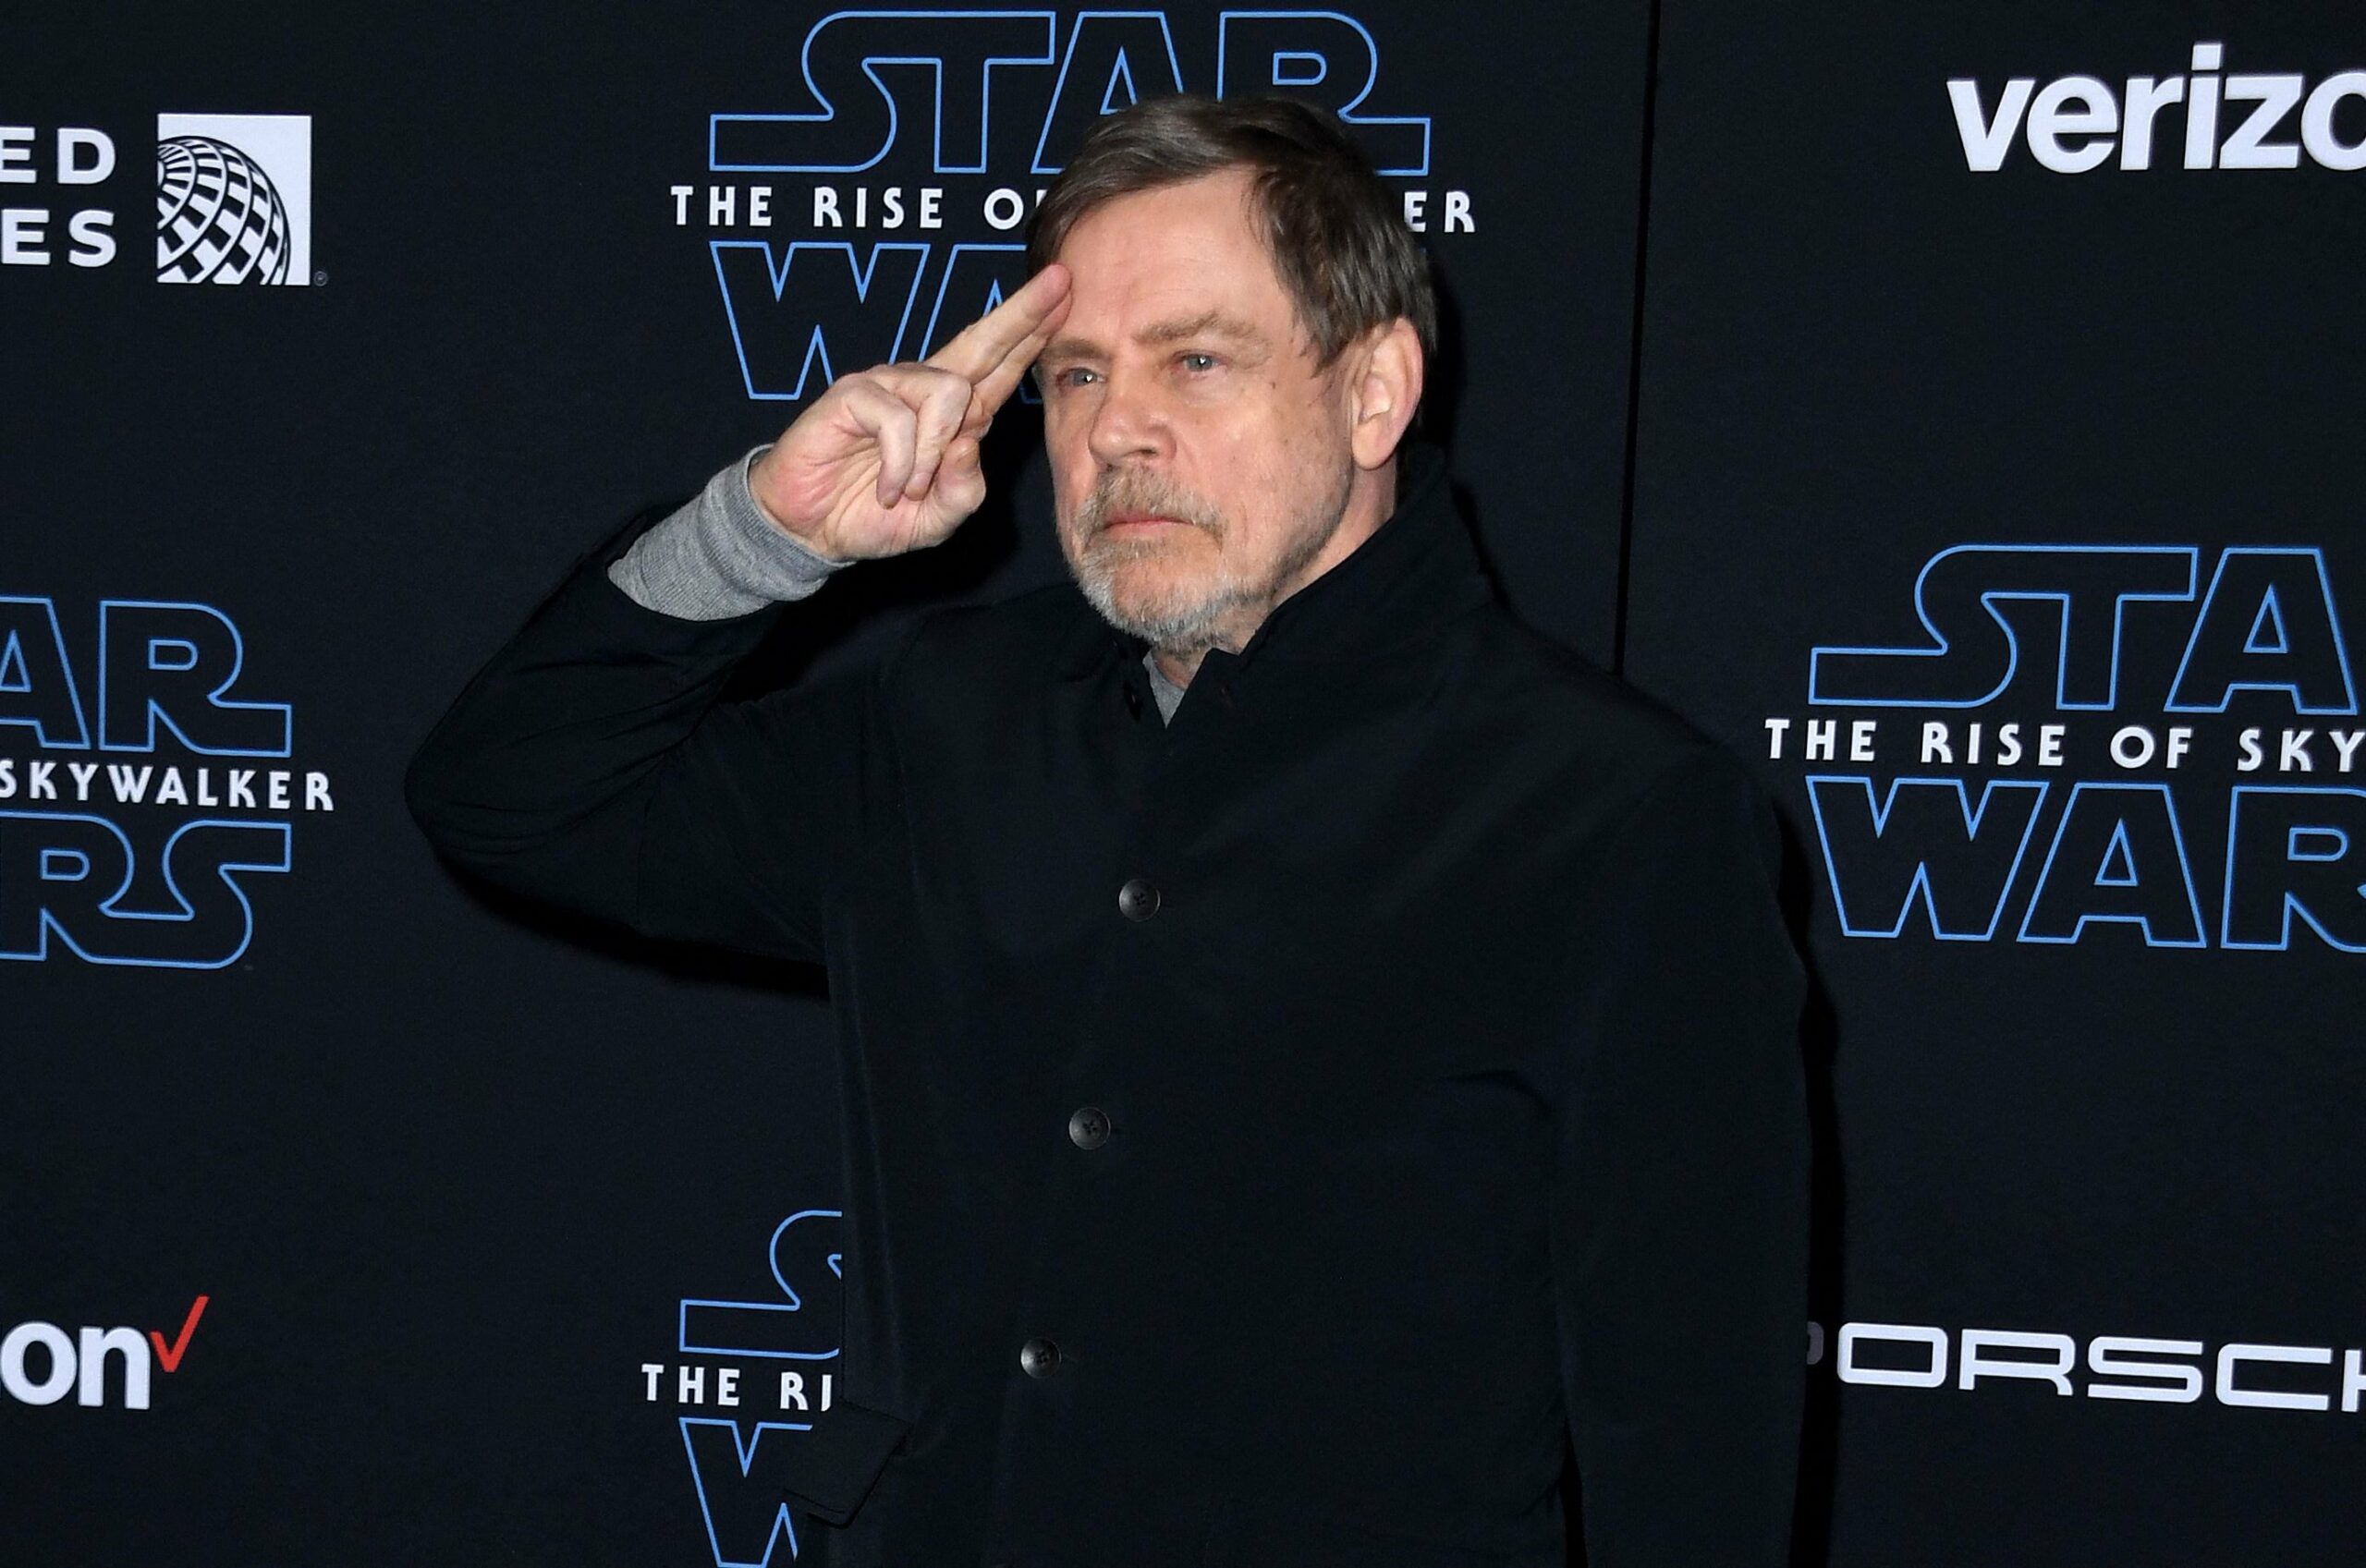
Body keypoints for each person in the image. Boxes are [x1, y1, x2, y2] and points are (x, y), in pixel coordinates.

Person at [407, 93, 1810, 1568]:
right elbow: (508, 794)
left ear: (1374, 390)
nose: (1116, 429)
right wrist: (768, 529)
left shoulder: (1615, 815)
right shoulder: (950, 713)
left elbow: (1692, 1444)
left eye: (1196, 359)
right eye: (1076, 374)